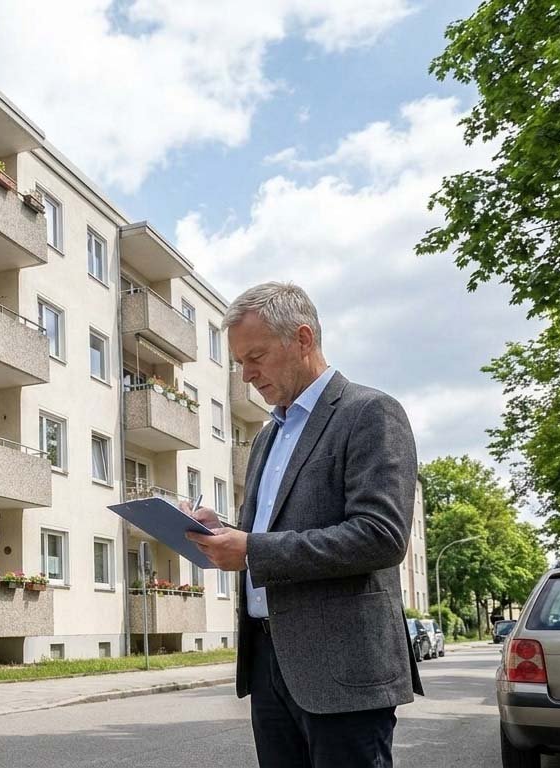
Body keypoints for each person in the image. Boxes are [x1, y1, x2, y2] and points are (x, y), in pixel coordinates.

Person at [183, 281, 423, 768]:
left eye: (256, 357)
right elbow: (274, 531)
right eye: (239, 363)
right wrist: (222, 531)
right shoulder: (268, 435)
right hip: (270, 663)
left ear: (303, 339)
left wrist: (251, 551)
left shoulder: (369, 412)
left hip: (343, 671)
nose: (247, 375)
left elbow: (382, 536)